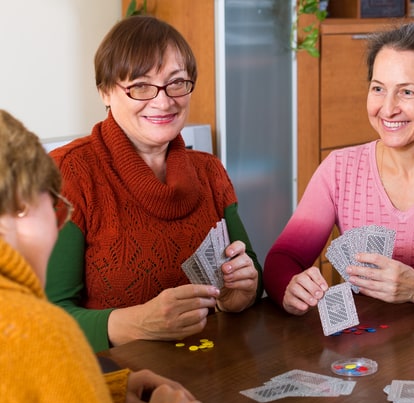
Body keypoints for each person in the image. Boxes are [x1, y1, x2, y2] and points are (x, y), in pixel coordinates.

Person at [47, 15, 263, 353]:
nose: (163, 101)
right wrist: (135, 323)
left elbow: (251, 273)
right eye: (141, 86)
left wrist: (242, 293)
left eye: (177, 83)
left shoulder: (210, 172)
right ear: (105, 91)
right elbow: (48, 318)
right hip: (114, 382)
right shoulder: (67, 173)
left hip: (212, 369)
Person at [0, 109, 212, 403]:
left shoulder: (209, 170)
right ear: (21, 207)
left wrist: (95, 391)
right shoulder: (39, 332)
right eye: (54, 207)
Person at [264, 22, 414, 316]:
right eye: (378, 89)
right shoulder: (339, 169)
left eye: (406, 92)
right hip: (364, 352)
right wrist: (289, 286)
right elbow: (283, 258)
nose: (388, 108)